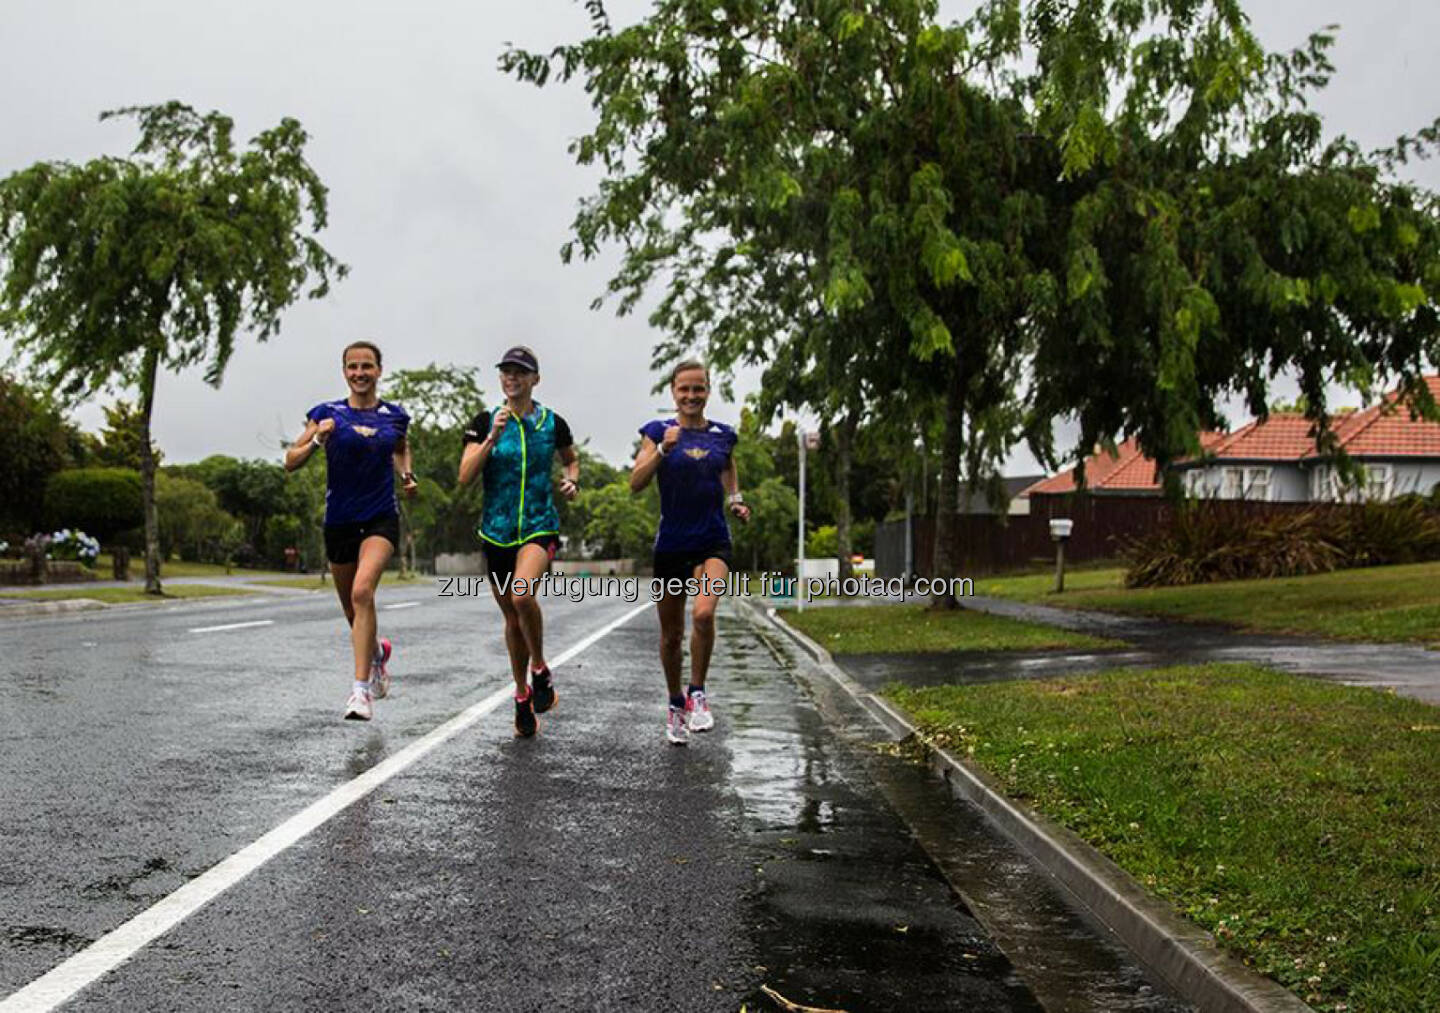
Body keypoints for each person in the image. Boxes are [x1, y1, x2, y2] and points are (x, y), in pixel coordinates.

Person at [285, 340, 417, 721]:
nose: (360, 373)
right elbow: (290, 461)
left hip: (380, 517)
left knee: (363, 592)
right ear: (344, 372)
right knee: (351, 608)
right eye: (353, 367)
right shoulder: (326, 413)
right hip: (339, 519)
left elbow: (399, 449)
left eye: (367, 366)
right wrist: (316, 440)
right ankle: (377, 654)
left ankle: (360, 692)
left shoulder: (395, 416)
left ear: (379, 370)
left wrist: (406, 474)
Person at [459, 345, 579, 737]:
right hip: (496, 531)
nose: (512, 378)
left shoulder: (552, 422)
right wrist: (491, 438)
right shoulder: (483, 421)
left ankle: (540, 668)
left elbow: (570, 458)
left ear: (534, 379)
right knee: (512, 617)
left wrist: (572, 478)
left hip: (539, 525)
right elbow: (464, 475)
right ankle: (522, 694)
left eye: (520, 372)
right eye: (506, 372)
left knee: (522, 596)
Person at [630, 360, 750, 746]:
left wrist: (736, 499)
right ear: (673, 392)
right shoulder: (658, 432)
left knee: (703, 612)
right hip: (672, 544)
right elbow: (636, 482)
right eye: (684, 389)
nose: (691, 396)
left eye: (698, 389)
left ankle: (697, 692)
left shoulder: (723, 435)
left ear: (707, 391)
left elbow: (728, 467)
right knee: (670, 637)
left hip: (713, 539)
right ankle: (675, 701)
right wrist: (663, 450)